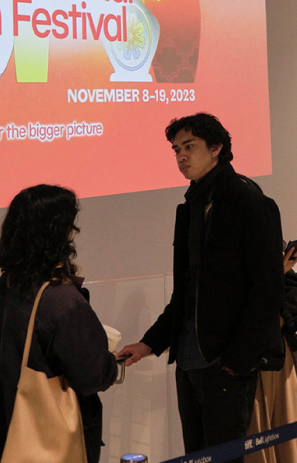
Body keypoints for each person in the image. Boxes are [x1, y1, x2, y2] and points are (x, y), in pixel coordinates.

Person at [118, 113, 284, 463]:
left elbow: (267, 292)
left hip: (224, 361)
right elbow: (187, 293)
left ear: (217, 148)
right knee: (196, 456)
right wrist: (150, 343)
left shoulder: (251, 203)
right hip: (189, 361)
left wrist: (237, 363)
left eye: (189, 147)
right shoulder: (189, 208)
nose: (181, 156)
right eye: (176, 149)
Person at [0, 184, 117, 463]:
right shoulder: (61, 301)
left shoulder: (5, 286)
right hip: (48, 444)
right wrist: (112, 362)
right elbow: (92, 375)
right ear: (58, 233)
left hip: (4, 434)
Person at [246, 247, 297, 463]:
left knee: (289, 446)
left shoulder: (265, 233)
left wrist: (280, 321)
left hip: (278, 354)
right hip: (242, 360)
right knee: (255, 448)